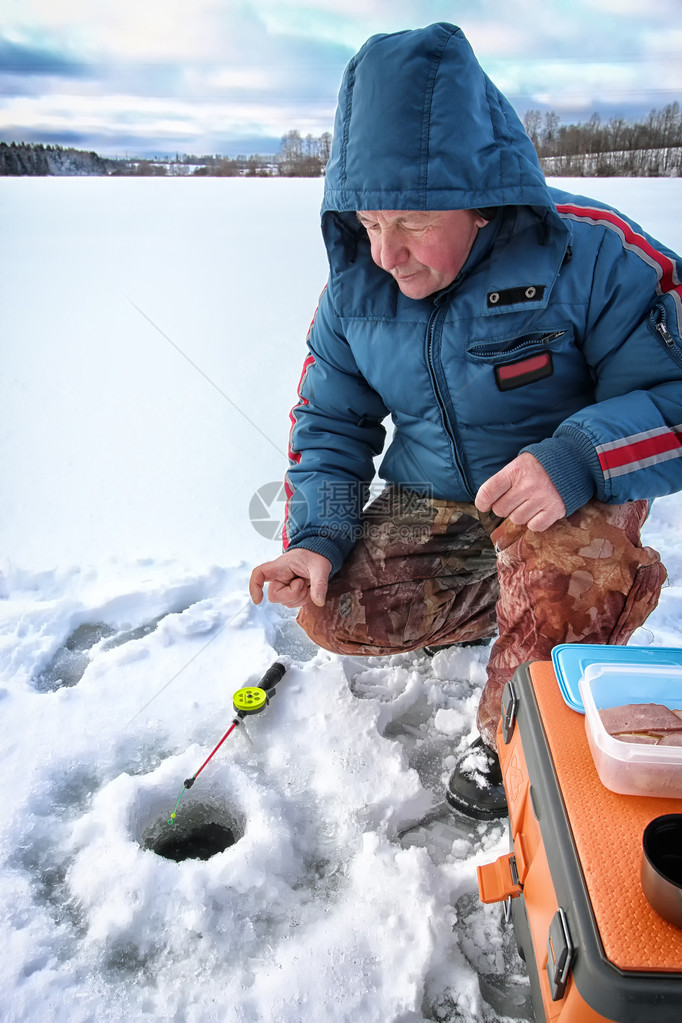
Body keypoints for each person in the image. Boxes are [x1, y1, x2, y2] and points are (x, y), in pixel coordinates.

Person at [250, 23, 682, 819]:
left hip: (572, 497)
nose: (388, 253)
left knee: (566, 561)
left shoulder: (591, 253)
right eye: (369, 222)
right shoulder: (354, 293)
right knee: (330, 607)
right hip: (441, 500)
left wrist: (577, 458)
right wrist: (314, 538)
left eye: (410, 221)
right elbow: (329, 425)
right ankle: (506, 596)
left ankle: (517, 723)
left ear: (478, 193)